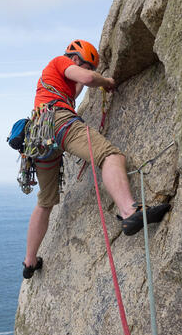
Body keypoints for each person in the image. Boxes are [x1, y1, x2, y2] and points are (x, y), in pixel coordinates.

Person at [22, 39, 170, 279]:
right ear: (76, 60)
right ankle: (129, 211)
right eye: (87, 66)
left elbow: (81, 84)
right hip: (58, 122)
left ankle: (30, 261)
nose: (88, 72)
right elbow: (88, 79)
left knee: (45, 203)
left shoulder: (59, 87)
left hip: (41, 140)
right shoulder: (60, 62)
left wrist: (92, 78)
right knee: (110, 156)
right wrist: (106, 81)